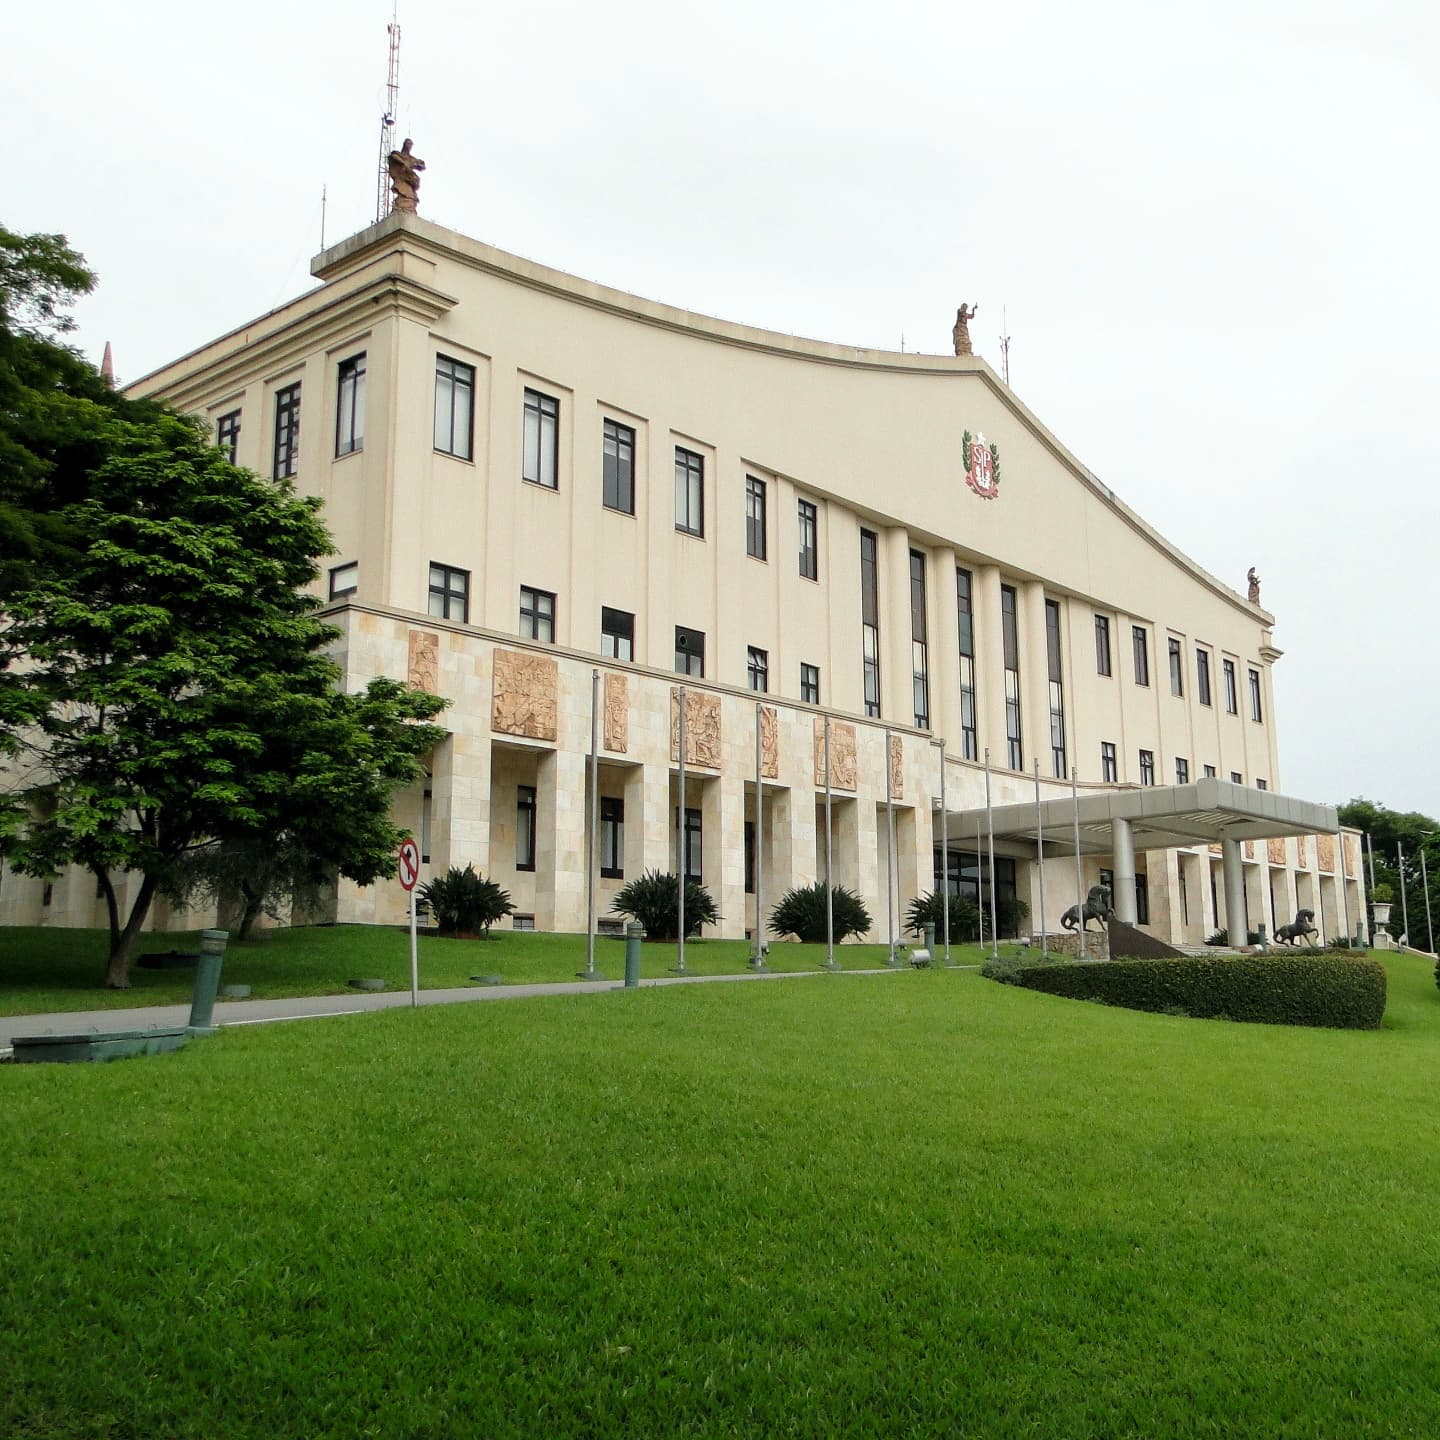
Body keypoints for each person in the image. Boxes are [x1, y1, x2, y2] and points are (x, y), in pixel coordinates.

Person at [388, 138, 426, 214]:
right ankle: (402, 208)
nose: (409, 146)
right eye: (408, 143)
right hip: (402, 178)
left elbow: (422, 164)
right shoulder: (399, 154)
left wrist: (417, 165)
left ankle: (408, 209)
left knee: (411, 195)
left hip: (409, 178)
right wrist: (403, 163)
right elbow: (393, 156)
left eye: (411, 144)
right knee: (405, 193)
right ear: (404, 144)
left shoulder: (411, 158)